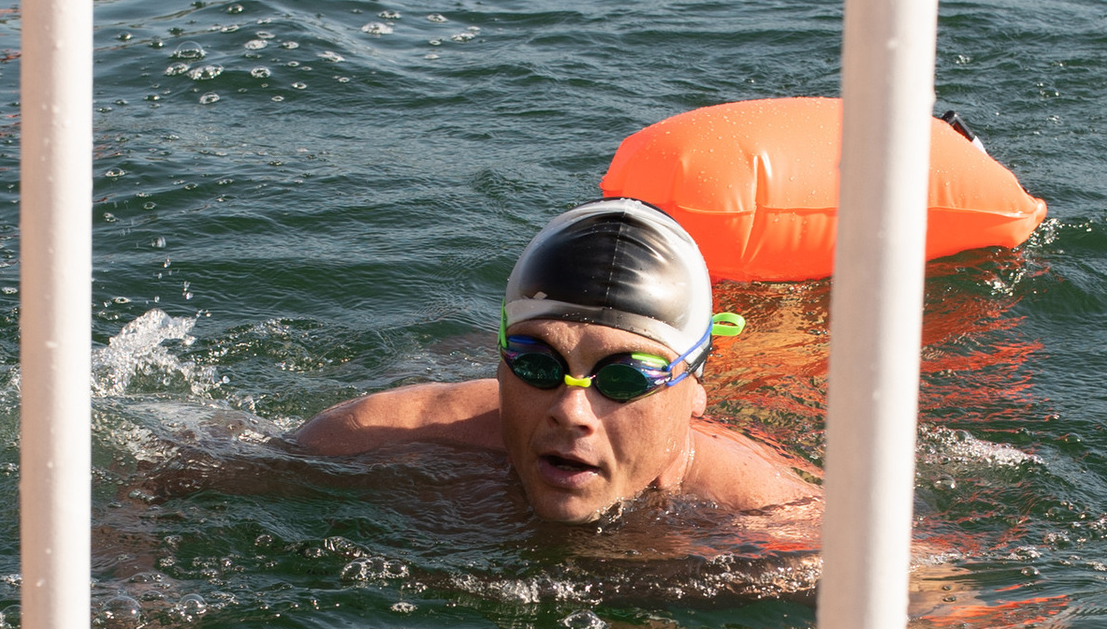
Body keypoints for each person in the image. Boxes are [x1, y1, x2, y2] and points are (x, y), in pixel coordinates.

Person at [298, 198, 818, 536]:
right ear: (499, 366)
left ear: (695, 389)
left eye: (625, 377)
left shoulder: (769, 515)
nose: (572, 411)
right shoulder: (381, 434)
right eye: (537, 364)